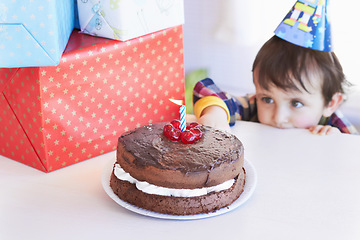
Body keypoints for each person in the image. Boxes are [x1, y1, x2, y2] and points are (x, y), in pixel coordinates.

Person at [192, 35, 359, 135]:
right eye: (267, 99)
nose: (278, 118)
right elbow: (208, 91)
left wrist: (338, 144)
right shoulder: (254, 105)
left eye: (296, 103)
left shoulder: (335, 124)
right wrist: (217, 113)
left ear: (330, 103)